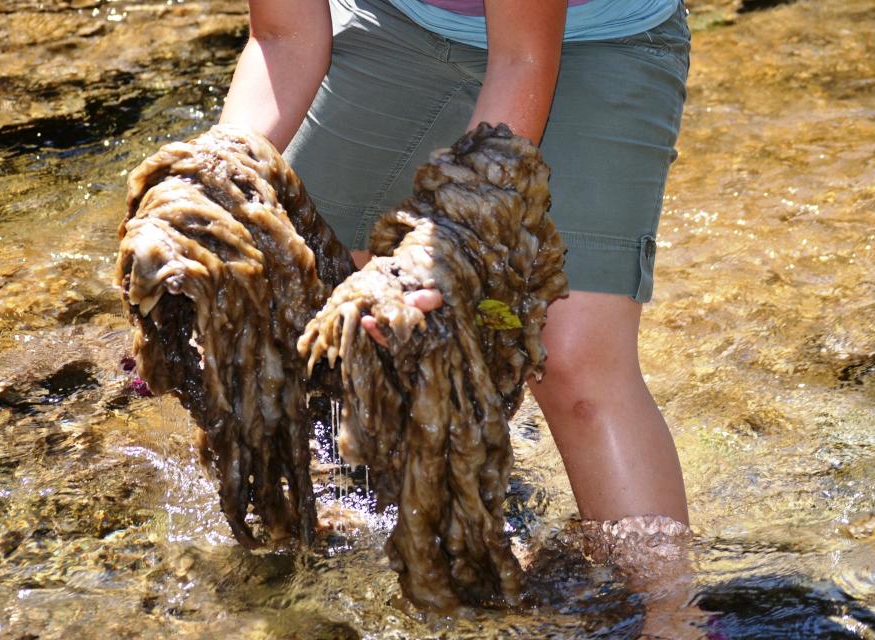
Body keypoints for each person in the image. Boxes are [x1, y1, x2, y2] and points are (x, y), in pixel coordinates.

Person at [219, 0, 691, 529]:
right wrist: (216, 174)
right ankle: (358, 517)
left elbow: (522, 59)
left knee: (571, 360)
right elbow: (283, 37)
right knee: (292, 285)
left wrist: (453, 244)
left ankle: (665, 606)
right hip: (394, 24)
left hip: (595, 40)